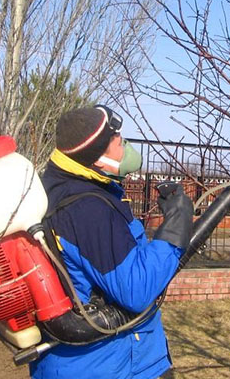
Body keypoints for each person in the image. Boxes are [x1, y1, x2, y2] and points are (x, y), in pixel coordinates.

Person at [30, 105, 193, 379]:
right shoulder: (87, 210)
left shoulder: (59, 187)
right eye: (119, 141)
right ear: (97, 159)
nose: (125, 145)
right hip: (113, 364)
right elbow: (137, 289)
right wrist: (176, 225)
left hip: (76, 364)